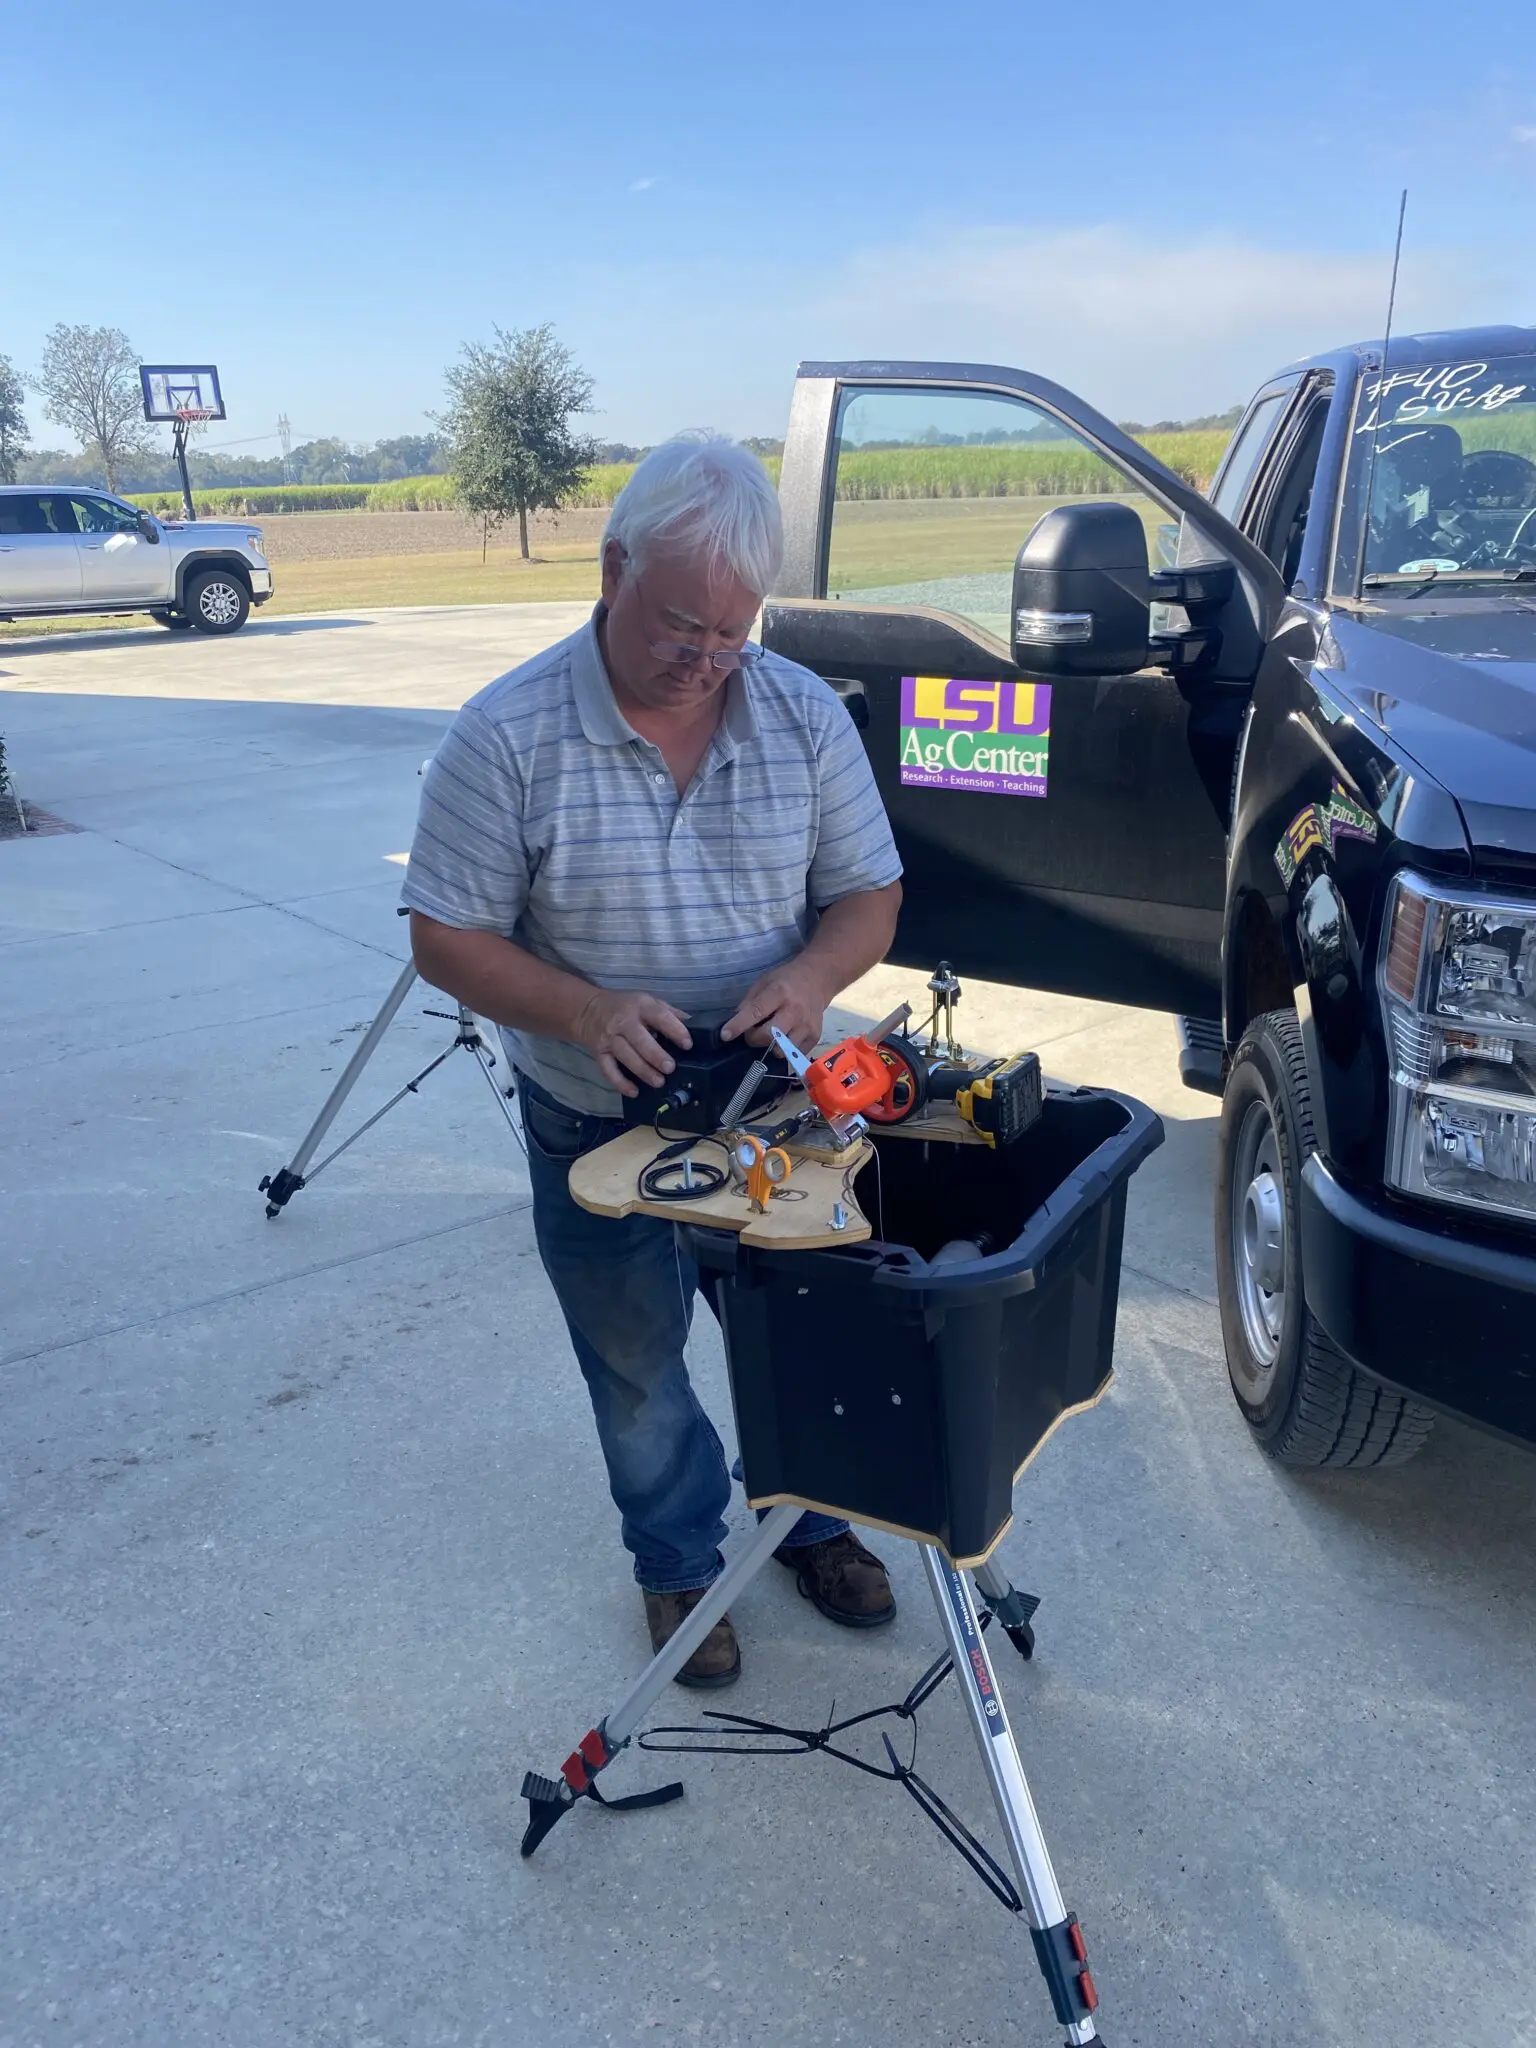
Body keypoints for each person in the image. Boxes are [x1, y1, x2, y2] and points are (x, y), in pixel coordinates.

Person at [402, 435, 904, 1687]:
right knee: (635, 1363)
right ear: (612, 564)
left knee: (806, 1337)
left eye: (733, 633)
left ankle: (812, 1522)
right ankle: (681, 1560)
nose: (709, 659)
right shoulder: (503, 733)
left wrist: (811, 977)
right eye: (684, 625)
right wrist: (580, 1011)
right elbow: (442, 937)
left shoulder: (797, 714)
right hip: (594, 1117)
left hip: (777, 1105)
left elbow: (870, 894)